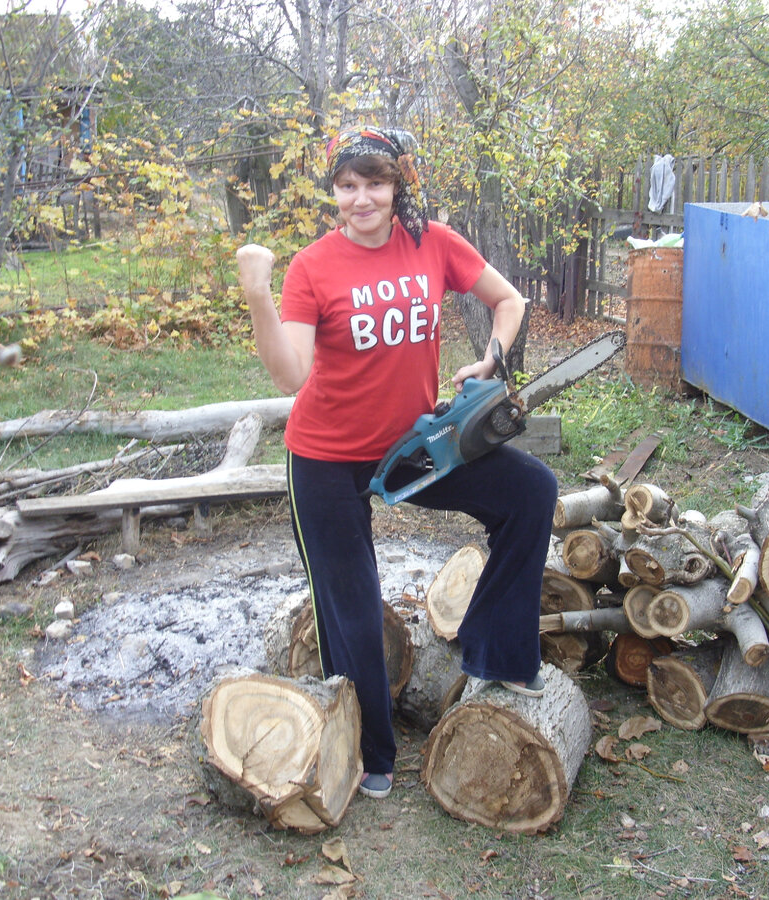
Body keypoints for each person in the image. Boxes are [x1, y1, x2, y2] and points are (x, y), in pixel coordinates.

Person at [235, 127, 558, 800]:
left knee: (531, 491)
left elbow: (509, 301)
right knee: (351, 607)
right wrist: (260, 297)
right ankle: (368, 754)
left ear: (398, 185)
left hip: (413, 449)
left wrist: (493, 357)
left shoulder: (433, 242)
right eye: (346, 187)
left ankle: (496, 650)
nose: (360, 200)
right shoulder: (314, 268)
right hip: (323, 459)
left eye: (374, 184)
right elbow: (293, 373)